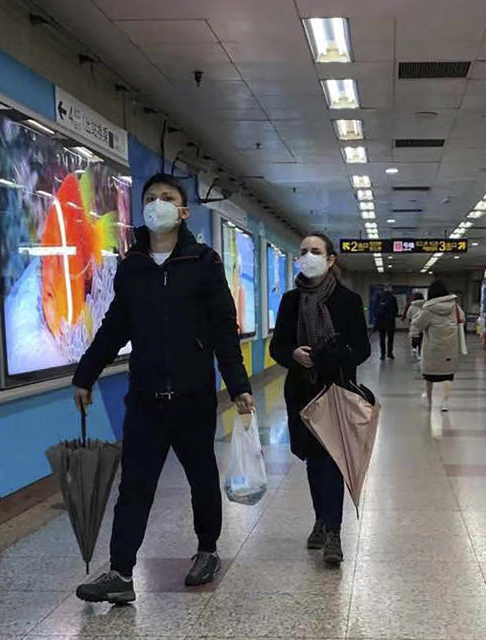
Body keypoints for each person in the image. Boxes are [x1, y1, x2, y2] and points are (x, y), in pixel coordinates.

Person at [71, 173, 255, 604]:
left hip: (193, 397)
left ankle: (207, 549)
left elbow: (224, 332)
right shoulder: (132, 266)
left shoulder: (203, 263)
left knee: (201, 478)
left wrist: (240, 386)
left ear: (184, 212)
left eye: (167, 198)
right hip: (145, 399)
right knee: (134, 485)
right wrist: (86, 373)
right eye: (150, 198)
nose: (157, 204)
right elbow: (115, 327)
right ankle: (120, 572)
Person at [270, 233, 370, 566]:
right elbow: (278, 346)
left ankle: (334, 533)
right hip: (301, 392)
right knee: (313, 462)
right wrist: (293, 355)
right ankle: (320, 519)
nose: (308, 256)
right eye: (303, 251)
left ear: (330, 260)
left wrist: (328, 357)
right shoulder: (290, 301)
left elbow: (362, 349)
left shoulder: (348, 301)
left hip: (336, 391)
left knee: (331, 463)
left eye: (316, 251)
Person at [411, 280, 464, 412]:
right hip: (450, 346)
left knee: (429, 375)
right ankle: (445, 402)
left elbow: (418, 324)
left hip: (432, 347)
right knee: (448, 375)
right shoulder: (455, 306)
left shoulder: (428, 309)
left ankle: (429, 402)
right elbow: (461, 318)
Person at [375, 286, 398, 360]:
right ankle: (390, 353)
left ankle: (382, 354)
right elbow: (396, 310)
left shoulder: (379, 297)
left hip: (381, 322)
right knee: (390, 339)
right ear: (390, 290)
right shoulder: (393, 298)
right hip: (390, 322)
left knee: (382, 339)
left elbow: (375, 309)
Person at [403, 292, 425, 359]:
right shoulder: (425, 305)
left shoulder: (412, 306)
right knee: (421, 340)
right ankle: (420, 355)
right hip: (423, 324)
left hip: (414, 324)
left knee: (414, 338)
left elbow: (408, 316)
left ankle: (414, 349)